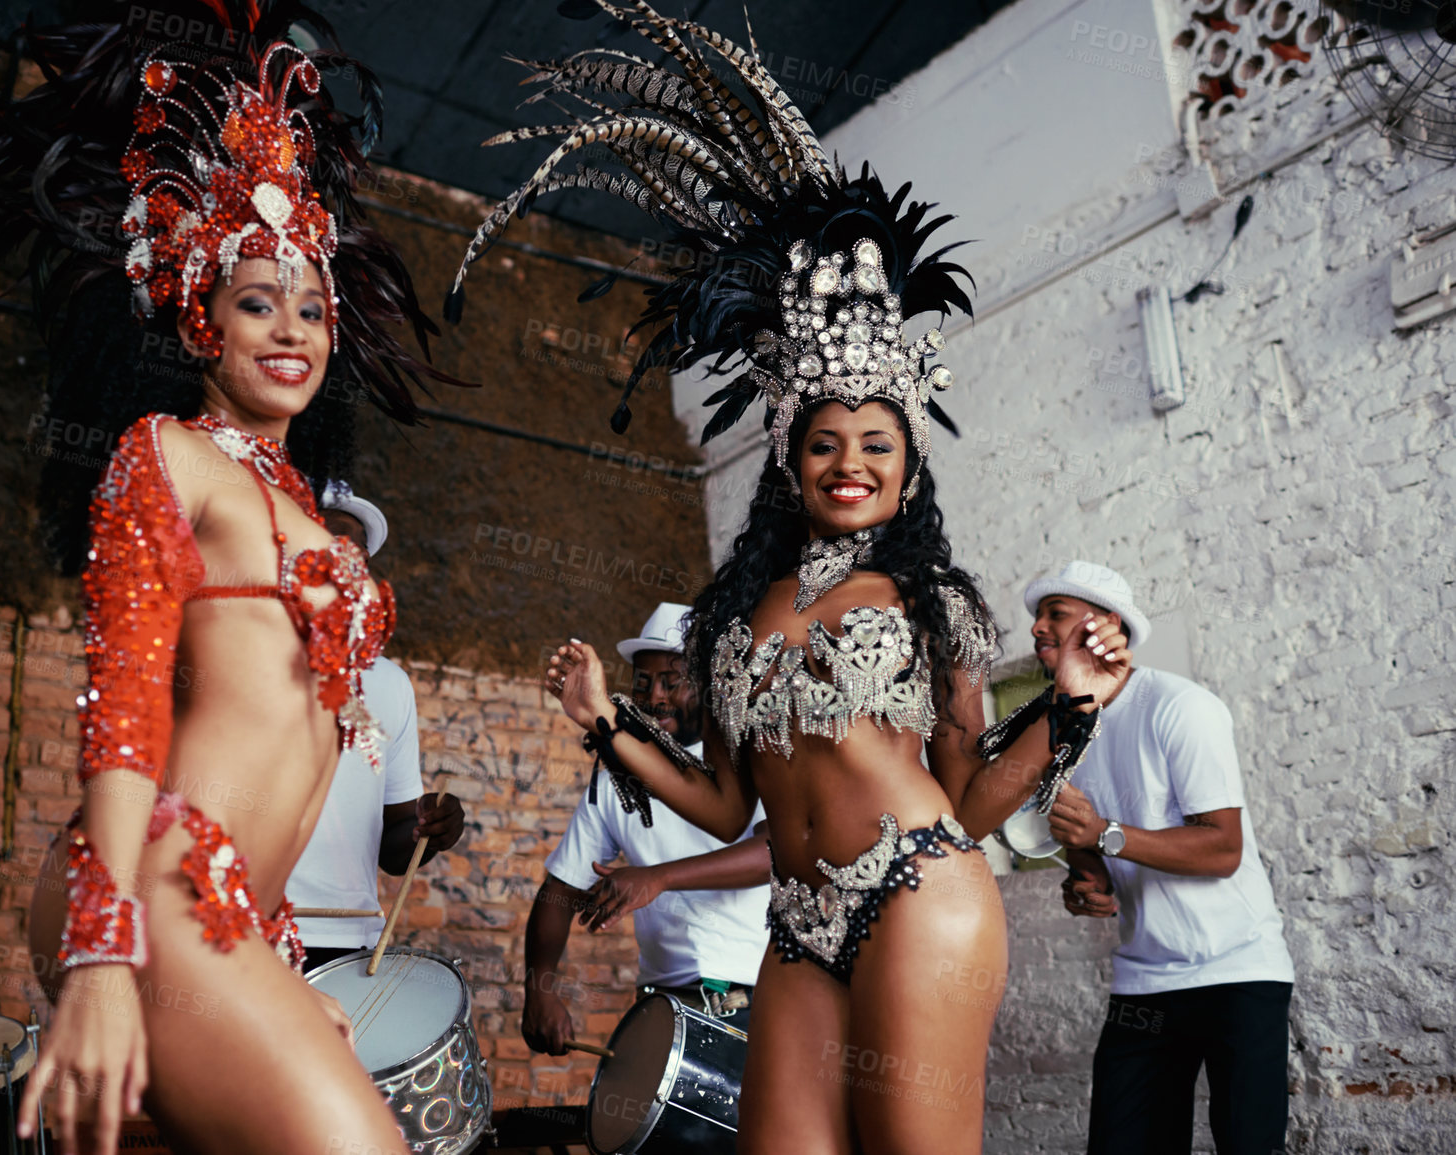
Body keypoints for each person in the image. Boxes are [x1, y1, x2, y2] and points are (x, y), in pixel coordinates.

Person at [458, 8, 1130, 1151]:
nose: (852, 463)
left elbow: (970, 798)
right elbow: (727, 801)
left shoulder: (933, 601)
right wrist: (605, 724)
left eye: (879, 443)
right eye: (826, 441)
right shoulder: (731, 617)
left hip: (921, 888)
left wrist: (1068, 711)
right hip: (797, 926)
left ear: (909, 463)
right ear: (788, 457)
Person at [0, 8, 461, 1152]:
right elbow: (127, 699)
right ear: (201, 320)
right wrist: (99, 951)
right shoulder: (165, 455)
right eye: (257, 301)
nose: (293, 329)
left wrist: (274, 963)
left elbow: (275, 742)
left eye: (313, 305)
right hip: (154, 882)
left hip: (235, 909)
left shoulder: (296, 504)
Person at [1026, 562, 1294, 1155]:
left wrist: (1104, 834)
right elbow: (1088, 851)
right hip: (1145, 979)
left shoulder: (1182, 707)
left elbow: (1222, 848)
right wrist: (1085, 883)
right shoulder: (1065, 728)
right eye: (1037, 617)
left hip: (1237, 969)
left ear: (1104, 626)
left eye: (1057, 615)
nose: (1039, 628)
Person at [523, 602, 769, 1054]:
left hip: (746, 997)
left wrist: (659, 878)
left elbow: (774, 853)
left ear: (710, 685)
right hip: (660, 1002)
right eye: (643, 682)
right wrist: (540, 988)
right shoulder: (615, 774)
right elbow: (561, 888)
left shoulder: (745, 758)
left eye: (672, 683)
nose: (654, 697)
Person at [286, 482, 465, 971]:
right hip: (243, 927)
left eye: (353, 556)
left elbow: (394, 841)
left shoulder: (389, 684)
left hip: (348, 938)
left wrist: (431, 831)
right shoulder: (238, 654)